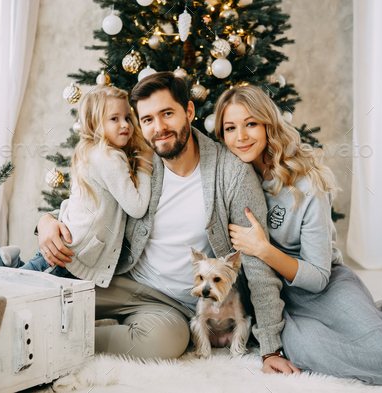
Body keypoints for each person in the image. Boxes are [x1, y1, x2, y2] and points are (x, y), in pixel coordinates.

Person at [37, 72, 294, 374]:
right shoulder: (138, 160)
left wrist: (270, 348)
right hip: (120, 279)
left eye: (167, 114)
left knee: (166, 342)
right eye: (147, 120)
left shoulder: (232, 175)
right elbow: (92, 203)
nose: (158, 129)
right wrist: (47, 220)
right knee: (41, 299)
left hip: (172, 306)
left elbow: (256, 263)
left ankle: (51, 340)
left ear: (189, 111)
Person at [214, 84, 382, 385]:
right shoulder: (232, 183)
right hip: (281, 298)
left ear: (268, 124)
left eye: (251, 124)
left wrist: (264, 250)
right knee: (309, 350)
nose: (241, 137)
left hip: (325, 284)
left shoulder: (307, 185)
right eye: (230, 128)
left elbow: (319, 276)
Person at [0, 85, 154, 288]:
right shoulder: (110, 157)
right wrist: (145, 166)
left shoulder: (92, 151)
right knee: (4, 288)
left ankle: (12, 262)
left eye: (127, 118)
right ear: (94, 122)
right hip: (70, 254)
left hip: (70, 244)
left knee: (20, 285)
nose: (125, 124)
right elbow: (137, 207)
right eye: (114, 119)